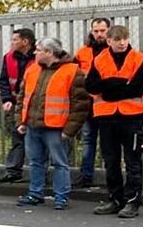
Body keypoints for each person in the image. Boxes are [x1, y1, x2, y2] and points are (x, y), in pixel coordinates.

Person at [15, 37, 90, 210]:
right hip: (34, 126)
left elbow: (80, 105)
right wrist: (21, 121)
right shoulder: (32, 70)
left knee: (59, 163)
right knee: (36, 161)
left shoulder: (72, 71)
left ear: (49, 52)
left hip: (56, 128)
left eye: (39, 49)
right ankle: (35, 193)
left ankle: (60, 196)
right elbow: (22, 98)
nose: (35, 52)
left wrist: (69, 130)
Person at [86, 25, 143, 219]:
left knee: (133, 161)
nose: (122, 43)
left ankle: (132, 202)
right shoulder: (99, 59)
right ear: (109, 41)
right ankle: (115, 199)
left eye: (125, 39)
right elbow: (91, 85)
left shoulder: (141, 59)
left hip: (132, 117)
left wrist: (108, 88)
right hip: (107, 118)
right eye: (117, 40)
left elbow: (138, 88)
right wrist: (119, 83)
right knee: (111, 161)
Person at [72, 17, 110, 188]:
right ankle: (86, 175)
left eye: (102, 30)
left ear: (108, 30)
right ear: (91, 31)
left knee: (108, 142)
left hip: (107, 103)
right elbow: (73, 74)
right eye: (96, 31)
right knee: (89, 140)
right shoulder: (83, 52)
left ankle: (111, 175)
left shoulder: (114, 50)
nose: (99, 34)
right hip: (88, 104)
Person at [0, 28, 36, 183]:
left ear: (25, 42)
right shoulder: (8, 58)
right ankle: (13, 171)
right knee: (17, 138)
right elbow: (4, 80)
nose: (12, 43)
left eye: (15, 40)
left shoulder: (39, 58)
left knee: (37, 140)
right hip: (17, 105)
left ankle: (38, 173)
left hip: (34, 105)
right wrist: (7, 98)